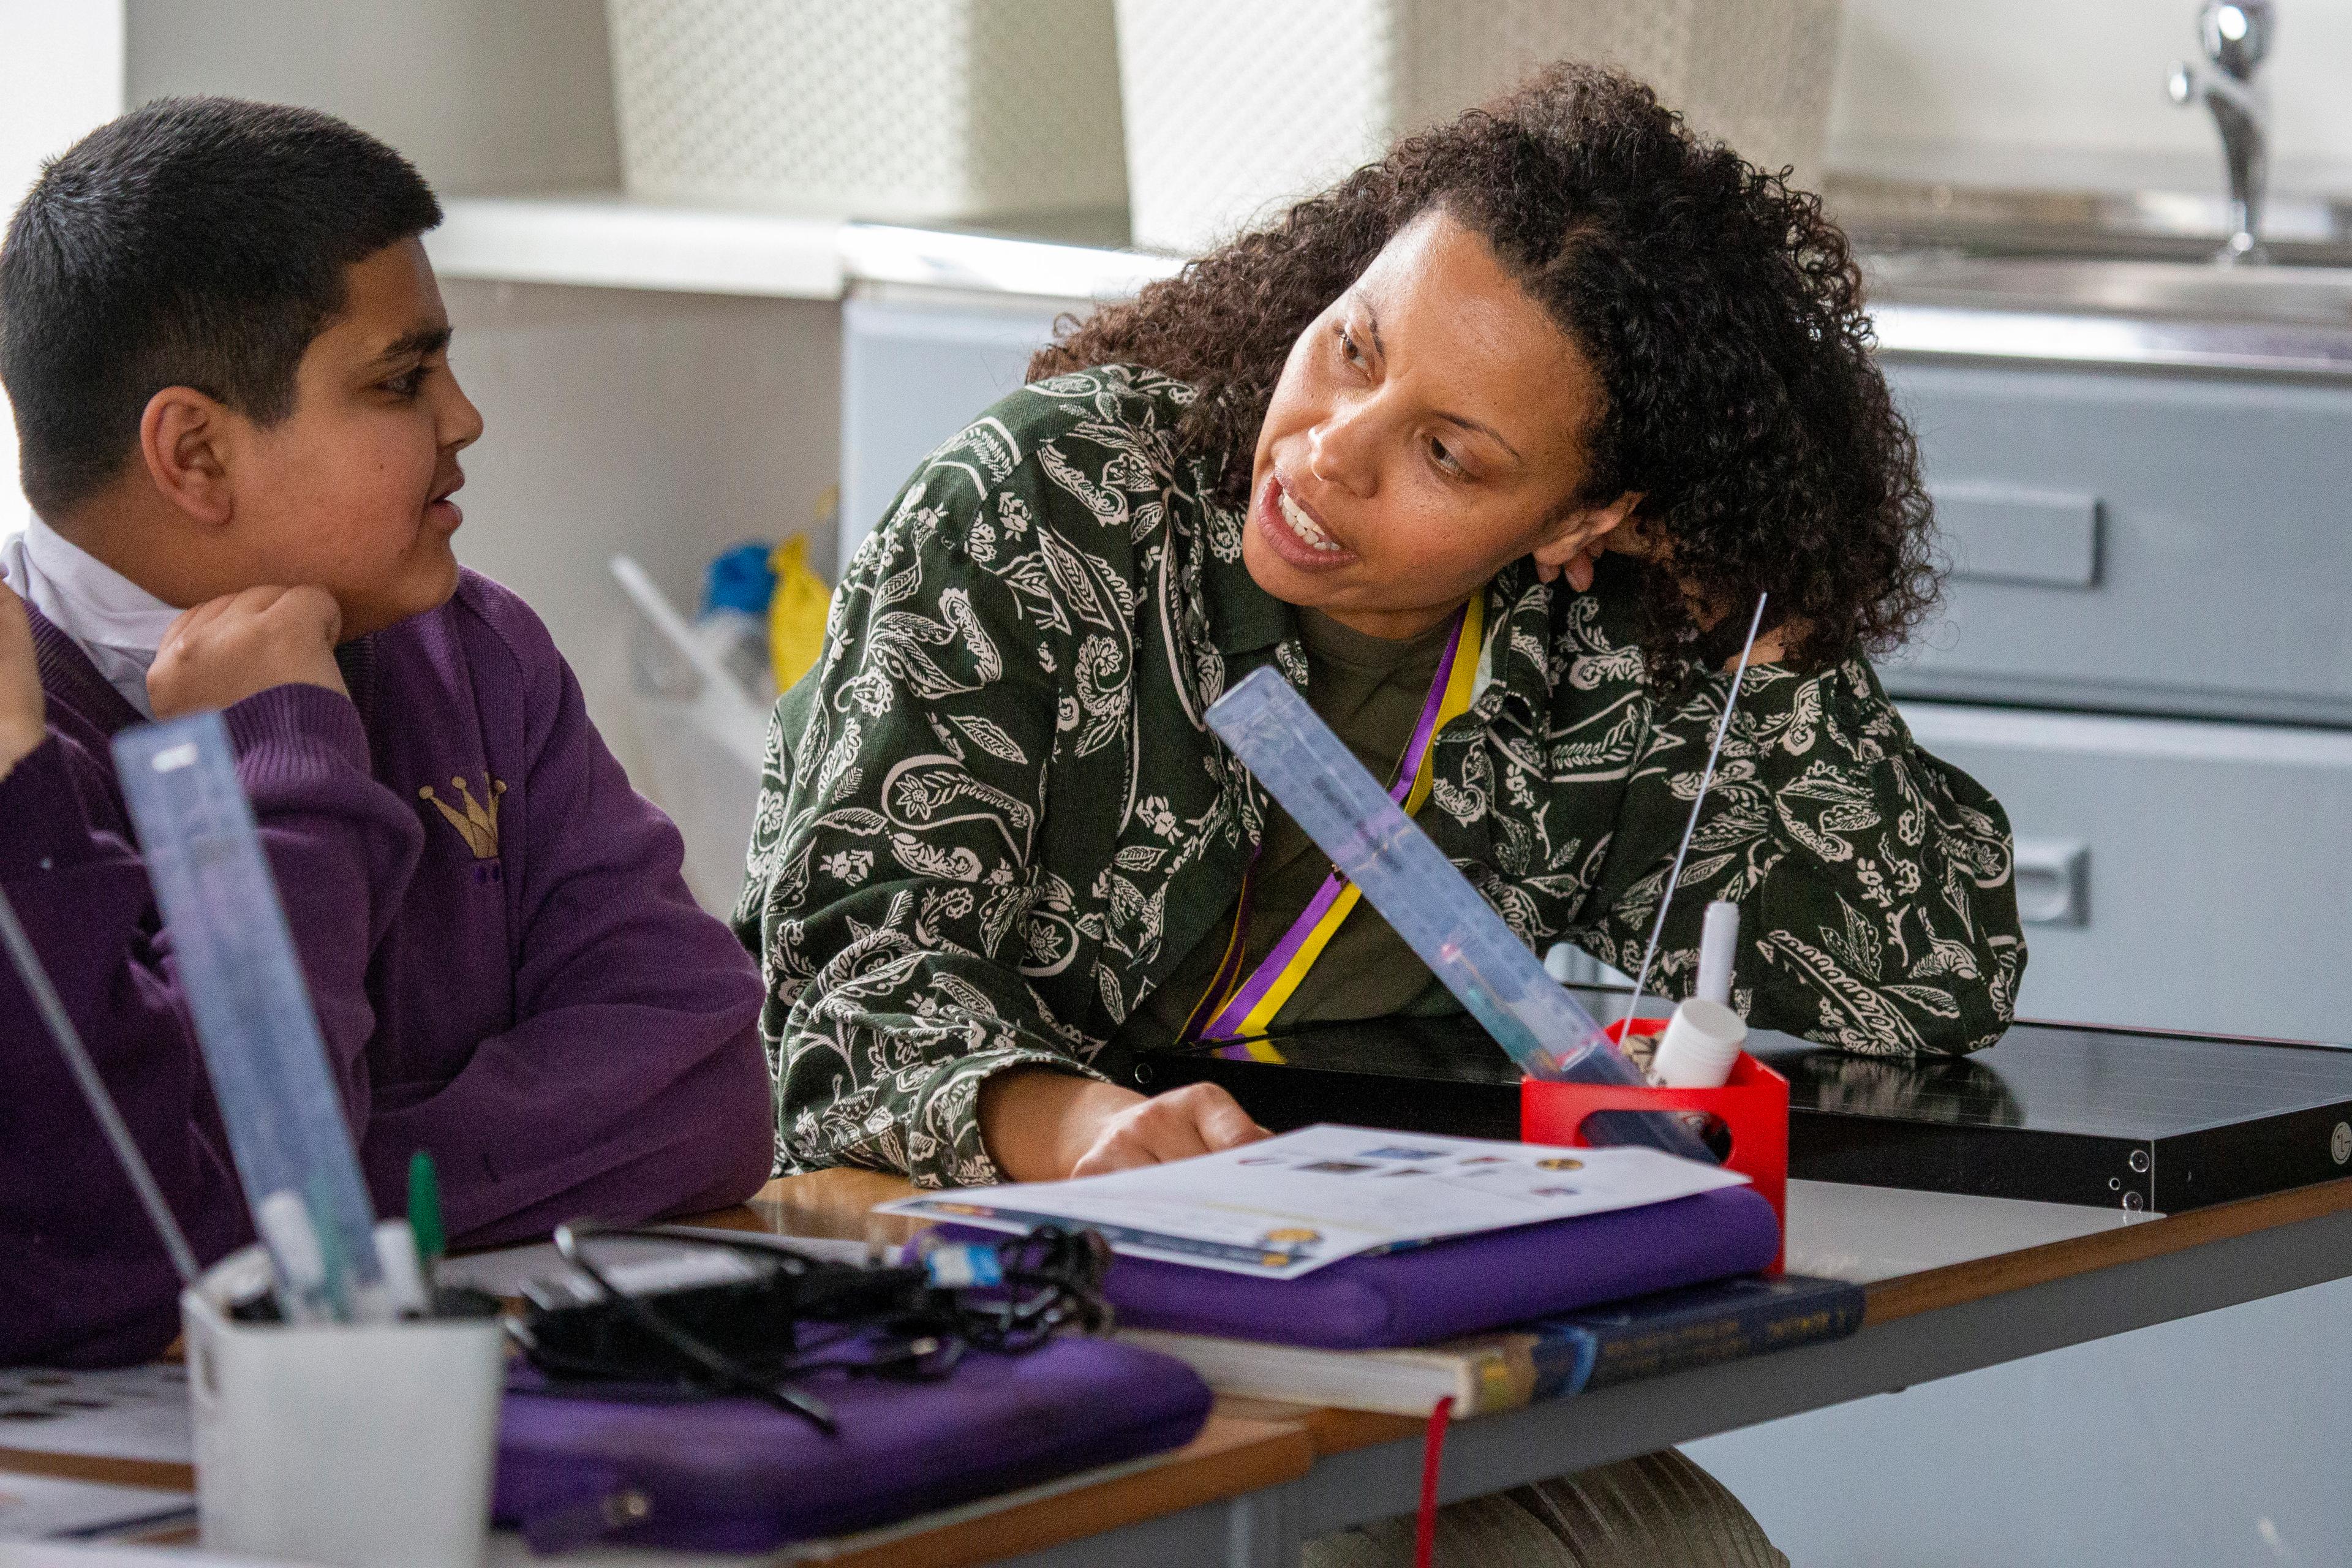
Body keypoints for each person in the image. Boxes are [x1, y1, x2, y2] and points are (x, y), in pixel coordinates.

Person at [741, 67, 2026, 1562]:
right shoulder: (1051, 508)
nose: (1331, 448)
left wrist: (1775, 646)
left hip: (1381, 1318)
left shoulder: (1588, 657)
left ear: (1580, 523)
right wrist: (1078, 1122)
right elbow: (839, 981)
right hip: (984, 1306)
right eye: (1352, 345)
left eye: (1447, 453)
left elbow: (1935, 974)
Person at [0, 99, 774, 1367]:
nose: (464, 418)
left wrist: (307, 1188)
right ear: (195, 451)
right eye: (402, 379)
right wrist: (280, 751)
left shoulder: (472, 648)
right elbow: (157, 1231)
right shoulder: (20, 752)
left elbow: (706, 1086)